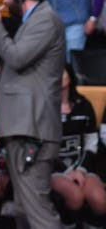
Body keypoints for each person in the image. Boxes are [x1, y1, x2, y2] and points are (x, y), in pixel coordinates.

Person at [0, 0, 65, 229]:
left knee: (39, 213)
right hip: (25, 127)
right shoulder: (34, 20)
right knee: (22, 209)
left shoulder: (45, 19)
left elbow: (17, 57)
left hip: (33, 128)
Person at [52, 64, 106, 224]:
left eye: (63, 72)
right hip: (53, 168)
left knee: (100, 201)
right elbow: (42, 148)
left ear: (70, 75)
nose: (59, 75)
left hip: (82, 167)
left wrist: (80, 170)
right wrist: (68, 171)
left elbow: (91, 143)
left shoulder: (83, 105)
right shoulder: (44, 107)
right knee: (75, 197)